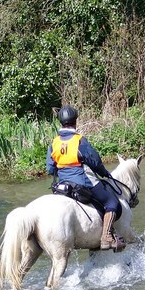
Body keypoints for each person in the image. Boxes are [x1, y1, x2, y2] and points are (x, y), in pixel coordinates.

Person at [46, 104, 124, 251]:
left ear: (61, 123)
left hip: (63, 184)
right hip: (82, 182)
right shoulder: (80, 140)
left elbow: (50, 168)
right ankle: (106, 237)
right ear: (75, 121)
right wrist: (104, 172)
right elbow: (94, 161)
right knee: (112, 201)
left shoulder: (54, 142)